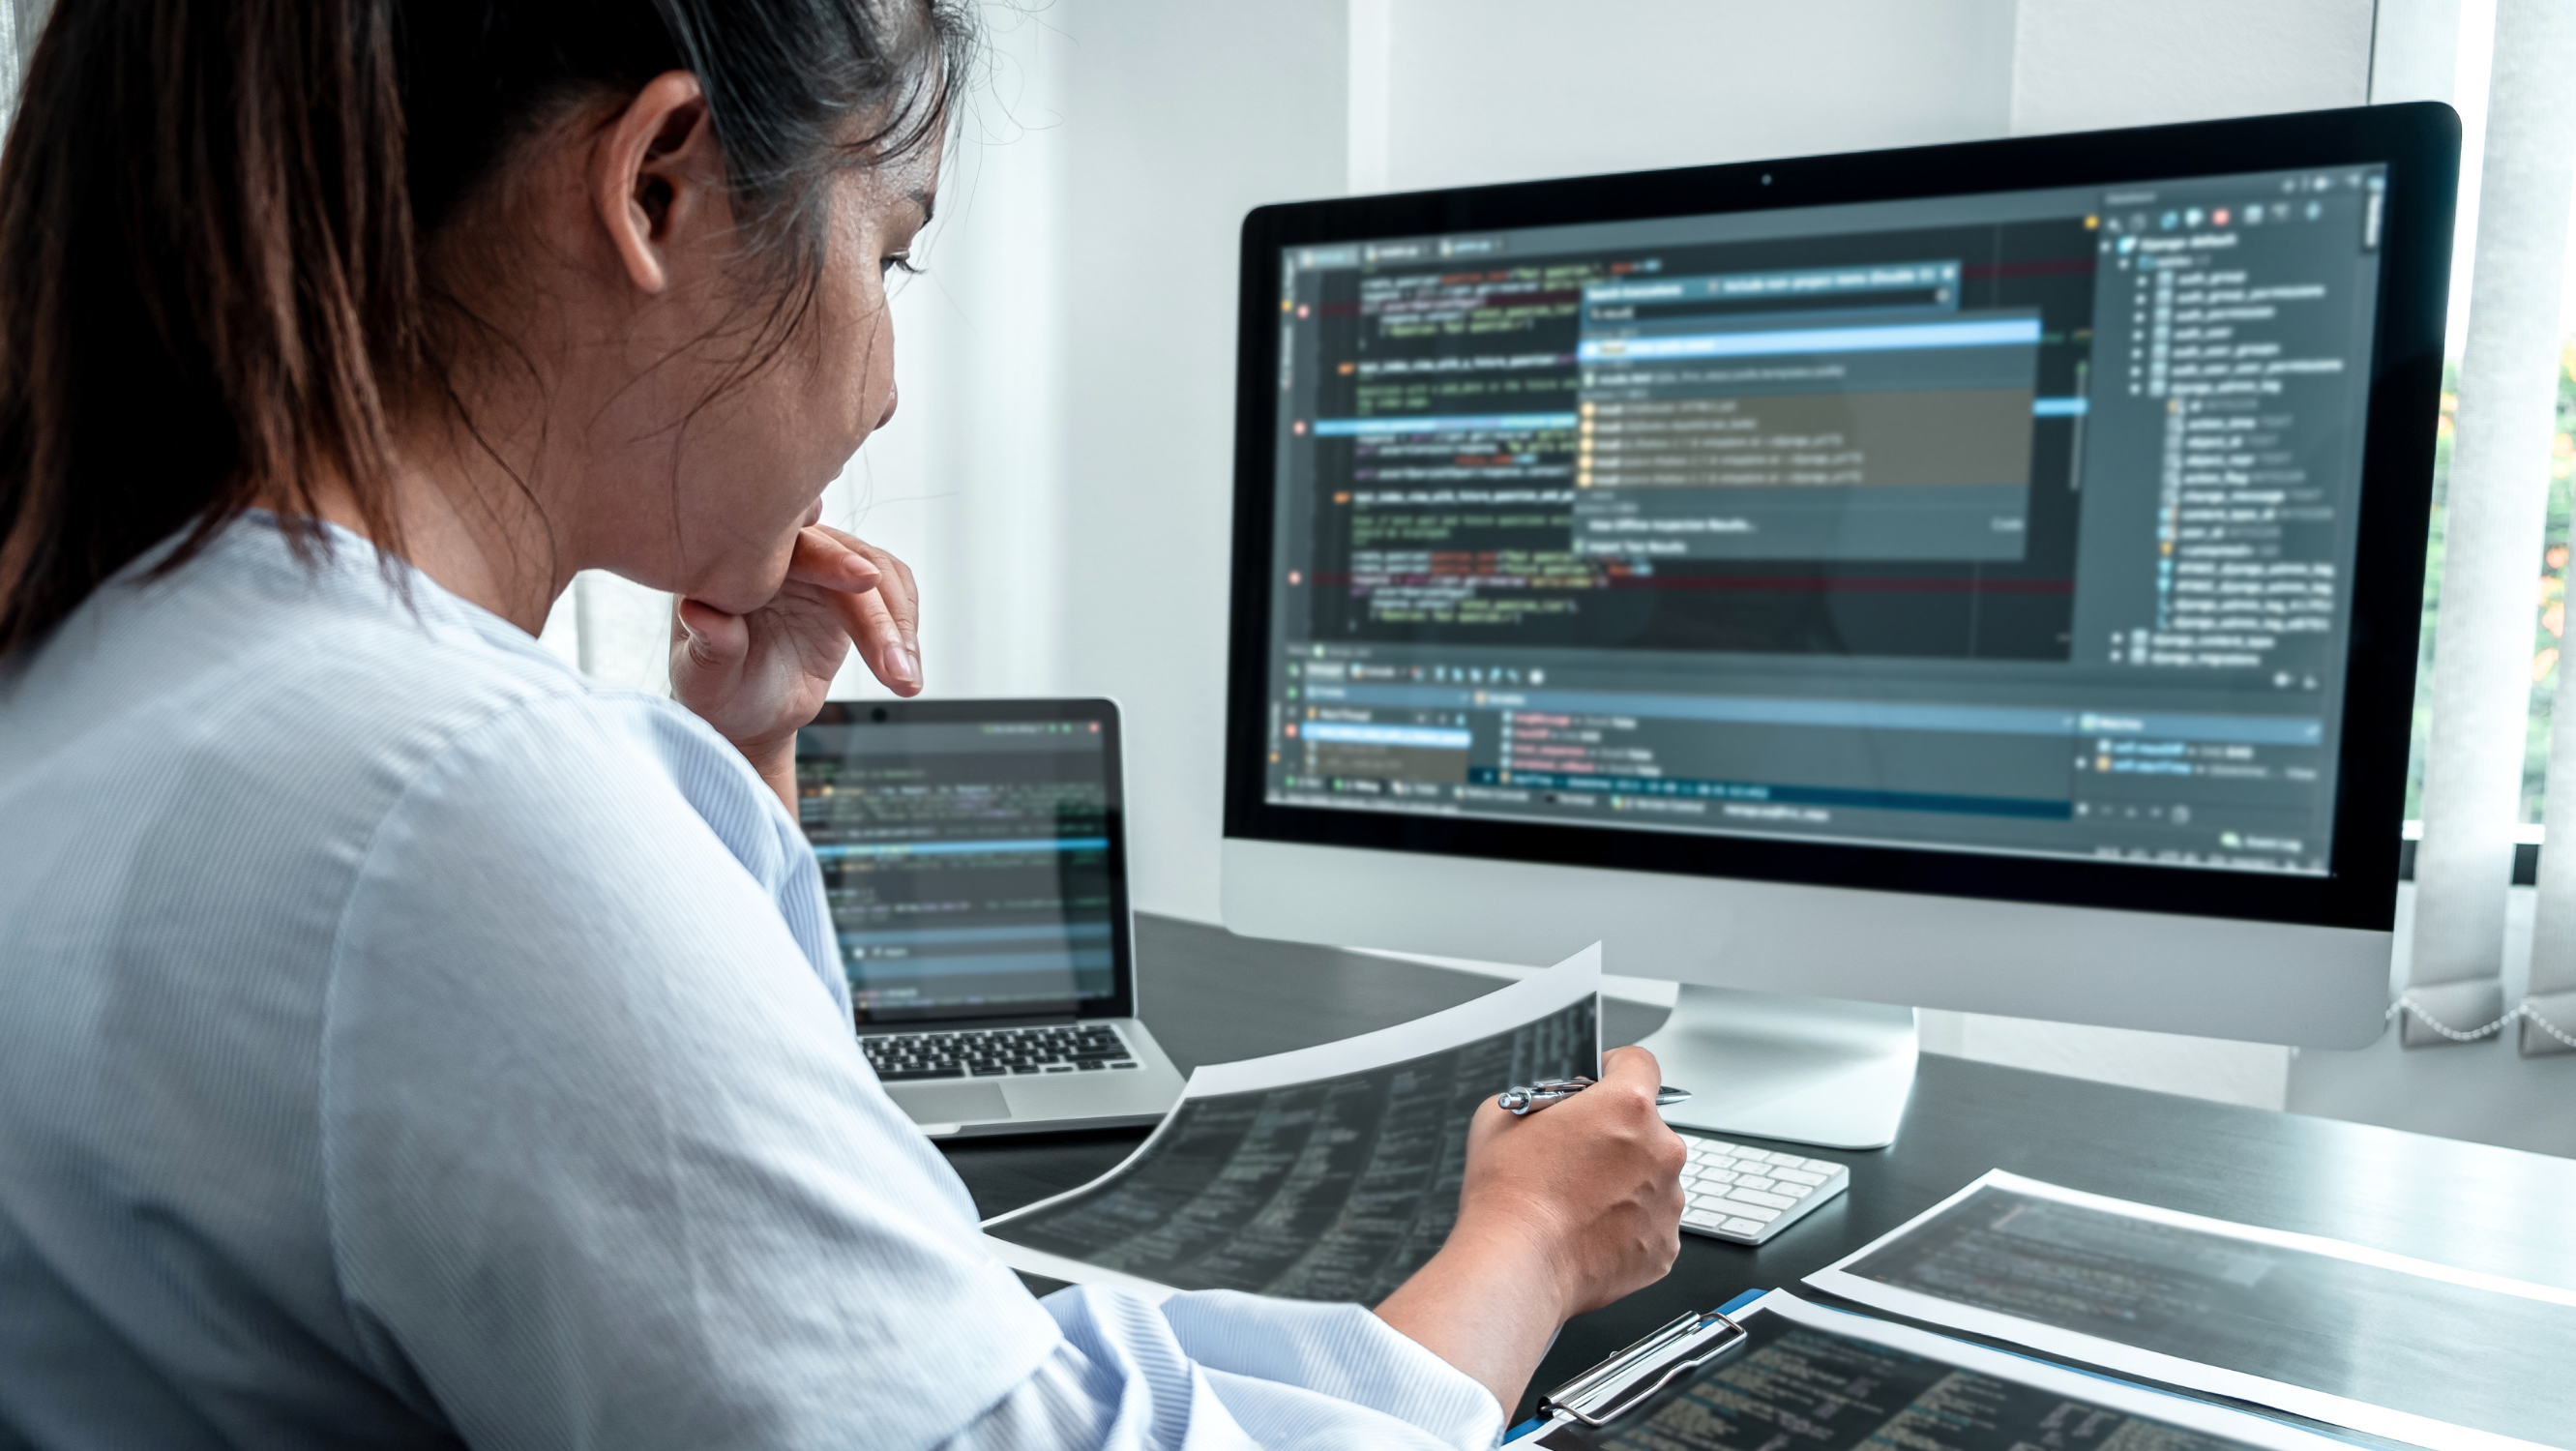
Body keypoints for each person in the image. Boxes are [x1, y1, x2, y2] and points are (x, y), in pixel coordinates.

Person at [0, 2, 1687, 1447]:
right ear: (657, 187)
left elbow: (838, 1313)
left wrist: (737, 779)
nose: (885, 382)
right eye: (890, 251)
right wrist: (1527, 1245)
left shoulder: (120, 665)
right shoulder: (466, 806)